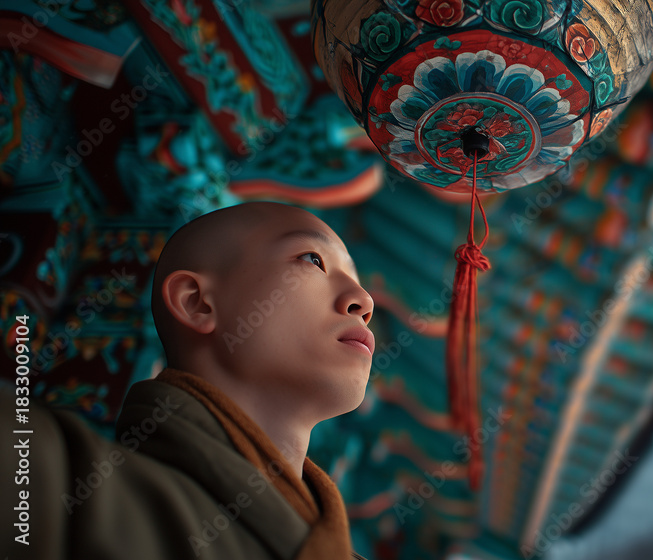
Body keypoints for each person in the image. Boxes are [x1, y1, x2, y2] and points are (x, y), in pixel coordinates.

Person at [2, 201, 374, 559]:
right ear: (196, 302)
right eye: (313, 259)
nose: (364, 300)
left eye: (356, 278)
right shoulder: (51, 475)